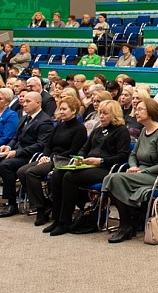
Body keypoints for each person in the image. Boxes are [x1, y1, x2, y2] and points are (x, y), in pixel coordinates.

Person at [45, 100, 130, 236]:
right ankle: (57, 218)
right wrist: (80, 157)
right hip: (88, 165)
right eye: (100, 113)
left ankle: (65, 221)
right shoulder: (97, 130)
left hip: (106, 168)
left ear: (114, 114)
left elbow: (122, 156)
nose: (101, 116)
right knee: (57, 173)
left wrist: (100, 161)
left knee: (70, 177)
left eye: (105, 113)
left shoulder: (121, 131)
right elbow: (84, 149)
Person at [103, 96, 158, 243]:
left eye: (140, 109)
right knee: (110, 178)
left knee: (115, 178)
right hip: (141, 172)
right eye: (136, 109)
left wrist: (142, 171)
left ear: (150, 112)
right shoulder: (143, 131)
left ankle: (126, 225)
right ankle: (127, 224)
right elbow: (133, 155)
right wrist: (134, 166)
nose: (136, 112)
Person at [0, 90, 55, 217]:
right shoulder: (24, 117)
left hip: (30, 156)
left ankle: (11, 203)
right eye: (24, 101)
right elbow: (16, 138)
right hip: (17, 152)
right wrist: (8, 146)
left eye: (28, 101)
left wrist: (16, 152)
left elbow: (40, 145)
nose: (24, 104)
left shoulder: (45, 121)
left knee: (5, 165)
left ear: (38, 103)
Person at [19, 95, 89, 225]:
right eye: (60, 109)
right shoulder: (59, 126)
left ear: (74, 111)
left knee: (31, 172)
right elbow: (48, 144)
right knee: (22, 171)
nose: (61, 112)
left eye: (64, 109)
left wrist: (51, 157)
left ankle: (40, 210)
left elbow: (74, 150)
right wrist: (45, 155)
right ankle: (45, 203)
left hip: (63, 160)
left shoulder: (80, 129)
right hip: (51, 158)